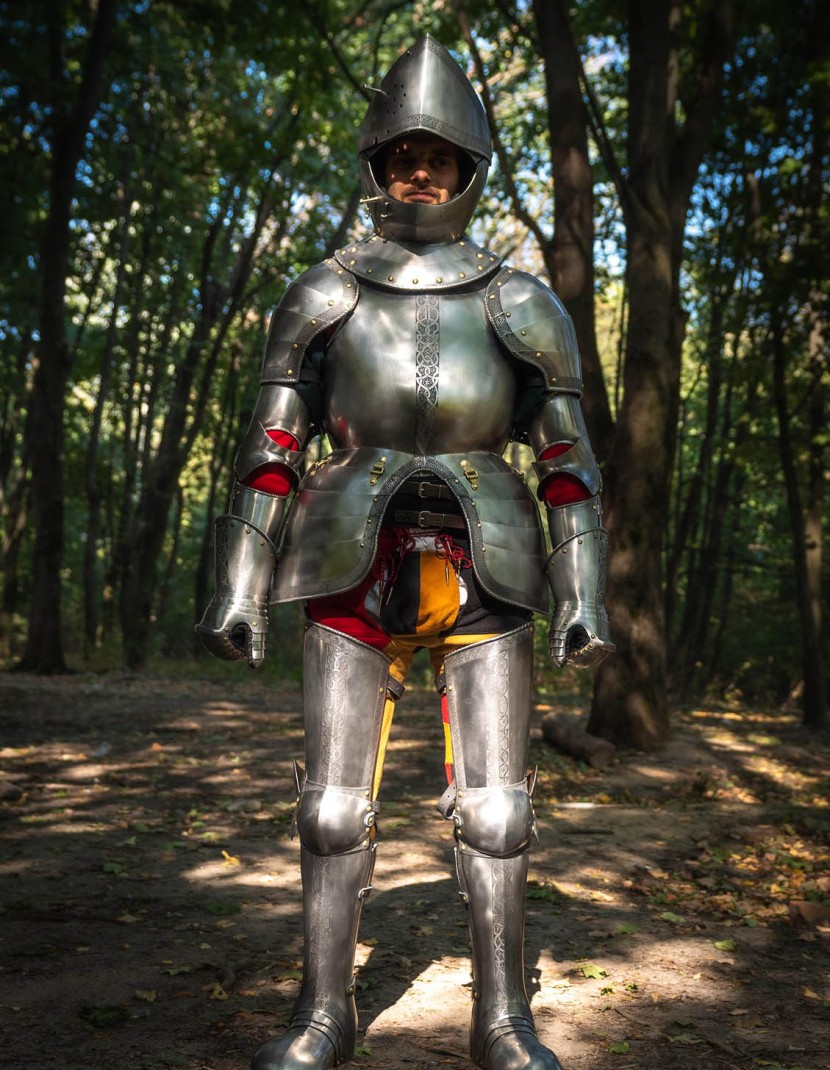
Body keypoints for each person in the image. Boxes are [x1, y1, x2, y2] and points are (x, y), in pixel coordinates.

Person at [197, 33, 614, 1070]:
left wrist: (585, 594)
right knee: (333, 807)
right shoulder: (320, 293)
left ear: (467, 169)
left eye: (437, 156)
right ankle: (322, 1011)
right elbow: (271, 451)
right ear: (375, 165)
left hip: (491, 558)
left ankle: (502, 1018)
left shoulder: (518, 301)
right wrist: (239, 584)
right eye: (402, 156)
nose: (418, 173)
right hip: (349, 552)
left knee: (499, 810)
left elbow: (566, 462)